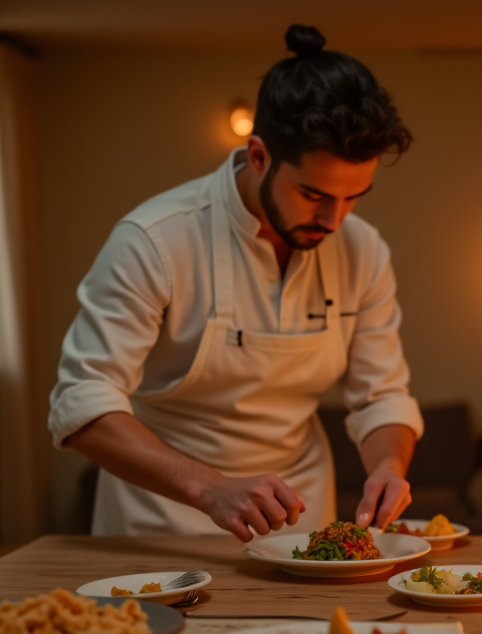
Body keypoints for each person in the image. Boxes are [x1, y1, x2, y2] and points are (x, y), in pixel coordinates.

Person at [49, 24, 423, 542]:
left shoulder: (363, 250)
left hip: (301, 531)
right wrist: (210, 489)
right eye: (314, 195)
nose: (335, 220)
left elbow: (381, 397)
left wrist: (387, 465)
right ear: (258, 156)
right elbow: (82, 403)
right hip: (160, 528)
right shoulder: (155, 240)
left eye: (354, 196)